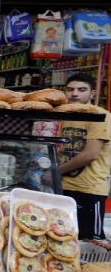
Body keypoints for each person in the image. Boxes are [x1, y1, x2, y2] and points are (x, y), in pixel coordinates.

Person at [58, 73, 111, 239]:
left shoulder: (100, 116)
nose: (75, 94)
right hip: (65, 187)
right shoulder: (65, 116)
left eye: (82, 90)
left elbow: (91, 154)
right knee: (65, 239)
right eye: (70, 89)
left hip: (89, 190)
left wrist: (56, 171)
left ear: (92, 94)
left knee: (90, 243)